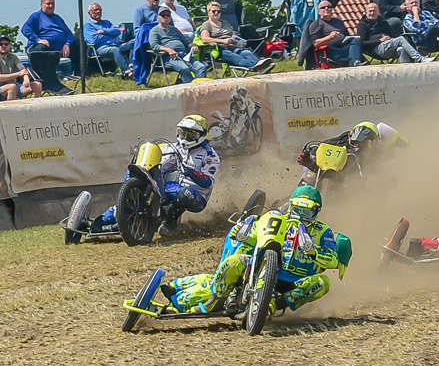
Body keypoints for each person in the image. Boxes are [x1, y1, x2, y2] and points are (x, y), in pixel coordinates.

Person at [161, 185, 345, 316]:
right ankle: (204, 299)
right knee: (232, 264)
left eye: (307, 212)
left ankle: (274, 304)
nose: (301, 216)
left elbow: (333, 260)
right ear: (290, 206)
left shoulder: (323, 231)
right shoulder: (278, 220)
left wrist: (313, 251)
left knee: (323, 282)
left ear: (316, 211)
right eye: (297, 209)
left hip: (294, 282)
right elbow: (252, 238)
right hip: (263, 271)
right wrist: (244, 231)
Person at [90, 115, 220, 236]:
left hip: (197, 196)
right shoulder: (177, 148)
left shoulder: (210, 155)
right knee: (149, 182)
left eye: (190, 135)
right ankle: (114, 215)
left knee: (185, 193)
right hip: (176, 187)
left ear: (201, 135)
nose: (185, 138)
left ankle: (170, 222)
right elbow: (160, 165)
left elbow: (208, 182)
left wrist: (192, 172)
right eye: (182, 133)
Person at [297, 121, 407, 185]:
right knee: (308, 179)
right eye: (355, 142)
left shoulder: (377, 153)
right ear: (350, 135)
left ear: (375, 140)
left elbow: (376, 174)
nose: (359, 147)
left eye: (365, 143)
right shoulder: (343, 140)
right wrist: (310, 159)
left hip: (352, 184)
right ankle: (288, 204)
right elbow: (322, 146)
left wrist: (385, 181)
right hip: (330, 176)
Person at [199, 1, 275, 74]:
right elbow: (205, 39)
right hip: (220, 49)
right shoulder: (206, 25)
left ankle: (260, 64)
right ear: (208, 12)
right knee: (236, 57)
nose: (216, 13)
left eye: (218, 11)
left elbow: (232, 34)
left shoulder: (225, 22)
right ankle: (257, 67)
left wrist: (239, 41)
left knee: (247, 53)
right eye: (213, 11)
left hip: (233, 46)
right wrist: (223, 41)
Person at [356, 3, 434, 63]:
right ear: (366, 12)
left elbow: (391, 35)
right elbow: (361, 43)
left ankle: (406, 69)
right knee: (400, 39)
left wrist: (391, 38)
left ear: (378, 12)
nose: (372, 13)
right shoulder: (362, 25)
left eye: (374, 10)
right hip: (375, 49)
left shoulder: (383, 22)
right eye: (370, 11)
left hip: (388, 46)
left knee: (400, 49)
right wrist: (380, 40)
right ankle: (420, 59)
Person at [149, 5, 207, 83]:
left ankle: (199, 89)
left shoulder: (174, 29)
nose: (166, 17)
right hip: (169, 57)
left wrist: (193, 46)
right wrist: (168, 50)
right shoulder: (154, 31)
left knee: (201, 67)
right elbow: (154, 46)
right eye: (163, 15)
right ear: (158, 17)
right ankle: (189, 88)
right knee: (184, 69)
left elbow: (186, 42)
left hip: (184, 55)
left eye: (168, 15)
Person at [308, 0, 365, 67]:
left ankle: (356, 62)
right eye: (323, 7)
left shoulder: (338, 21)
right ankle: (354, 64)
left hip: (343, 47)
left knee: (354, 41)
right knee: (352, 53)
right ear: (319, 12)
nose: (326, 8)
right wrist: (330, 37)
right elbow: (316, 44)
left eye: (329, 7)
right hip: (331, 51)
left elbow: (347, 35)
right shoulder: (316, 24)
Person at [83, 3, 133, 78]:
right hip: (101, 49)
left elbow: (117, 31)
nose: (98, 11)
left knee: (134, 42)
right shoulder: (88, 25)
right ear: (89, 13)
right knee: (115, 50)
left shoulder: (107, 22)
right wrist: (111, 36)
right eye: (95, 10)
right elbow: (93, 39)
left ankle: (132, 66)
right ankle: (127, 72)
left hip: (117, 45)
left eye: (99, 9)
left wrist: (104, 32)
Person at [0, 34, 41, 100]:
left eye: (6, 44)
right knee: (12, 87)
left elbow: (23, 69)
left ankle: (31, 109)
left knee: (37, 85)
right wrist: (18, 74)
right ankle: (11, 109)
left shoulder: (13, 57)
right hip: (2, 88)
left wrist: (26, 78)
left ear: (10, 46)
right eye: (1, 44)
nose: (3, 46)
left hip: (15, 86)